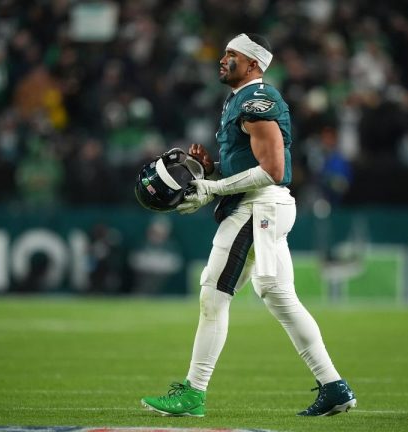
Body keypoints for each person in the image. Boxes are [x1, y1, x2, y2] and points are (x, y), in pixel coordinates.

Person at [140, 33, 356, 417]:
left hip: (257, 208)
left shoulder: (259, 99)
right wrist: (212, 170)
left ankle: (193, 392)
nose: (222, 60)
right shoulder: (238, 100)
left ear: (253, 63)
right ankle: (334, 386)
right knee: (280, 299)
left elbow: (272, 170)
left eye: (231, 55)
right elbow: (249, 164)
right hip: (261, 207)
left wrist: (212, 187)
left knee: (212, 293)